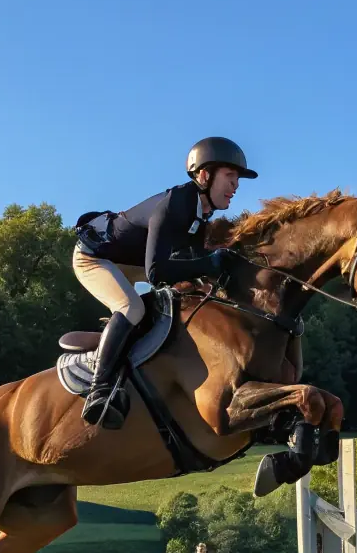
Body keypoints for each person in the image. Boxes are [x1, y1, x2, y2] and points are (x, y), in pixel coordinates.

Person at [71, 137, 258, 429]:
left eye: (238, 180)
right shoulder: (175, 204)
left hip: (133, 263)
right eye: (230, 176)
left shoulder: (199, 215)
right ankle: (99, 390)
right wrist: (211, 262)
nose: (236, 186)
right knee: (131, 308)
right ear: (205, 175)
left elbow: (190, 268)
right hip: (94, 258)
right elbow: (158, 273)